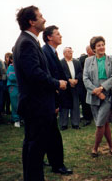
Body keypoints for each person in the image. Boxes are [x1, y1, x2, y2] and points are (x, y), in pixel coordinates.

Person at [13, 5, 71, 181]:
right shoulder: (26, 43)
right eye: (40, 16)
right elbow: (35, 74)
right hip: (36, 105)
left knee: (33, 147)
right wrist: (57, 83)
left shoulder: (28, 41)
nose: (44, 19)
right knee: (35, 149)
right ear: (31, 21)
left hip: (36, 104)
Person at [41, 25, 73, 173]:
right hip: (47, 100)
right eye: (57, 34)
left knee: (43, 133)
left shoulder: (52, 52)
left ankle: (42, 159)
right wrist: (54, 102)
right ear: (49, 37)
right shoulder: (44, 52)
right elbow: (47, 79)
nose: (61, 36)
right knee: (52, 134)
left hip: (51, 100)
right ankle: (57, 165)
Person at [83, 36, 112, 158]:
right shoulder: (88, 61)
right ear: (93, 48)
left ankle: (95, 148)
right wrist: (97, 91)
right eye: (98, 45)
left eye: (103, 44)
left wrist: (102, 88)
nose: (101, 47)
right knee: (104, 123)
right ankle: (111, 146)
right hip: (94, 95)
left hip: (108, 96)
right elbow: (85, 78)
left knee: (99, 124)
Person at [60, 47, 82, 129]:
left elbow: (80, 72)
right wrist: (69, 80)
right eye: (68, 51)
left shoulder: (76, 62)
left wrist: (76, 80)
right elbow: (60, 73)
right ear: (64, 53)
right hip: (65, 87)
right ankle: (64, 124)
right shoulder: (60, 62)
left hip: (75, 87)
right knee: (64, 106)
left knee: (75, 105)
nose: (70, 53)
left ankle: (75, 123)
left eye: (71, 51)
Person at [78, 45, 94, 126]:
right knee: (85, 101)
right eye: (92, 48)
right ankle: (87, 118)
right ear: (88, 51)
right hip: (85, 84)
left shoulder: (97, 57)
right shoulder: (82, 59)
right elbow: (80, 71)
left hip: (95, 83)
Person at [6, 54, 20, 127]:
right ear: (11, 60)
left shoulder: (20, 66)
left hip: (20, 87)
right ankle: (16, 120)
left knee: (21, 103)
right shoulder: (10, 67)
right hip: (13, 87)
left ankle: (21, 118)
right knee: (15, 104)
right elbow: (12, 78)